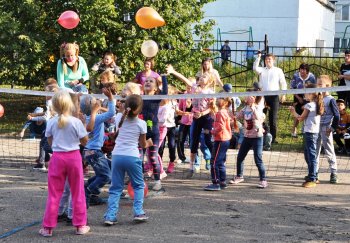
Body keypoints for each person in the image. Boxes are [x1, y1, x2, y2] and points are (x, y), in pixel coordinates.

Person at [39, 90, 90, 237]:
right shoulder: (76, 122)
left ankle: (48, 228)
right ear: (70, 105)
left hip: (57, 158)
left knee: (54, 194)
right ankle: (80, 225)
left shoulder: (52, 122)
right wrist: (83, 127)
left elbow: (49, 140)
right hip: (73, 157)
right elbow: (85, 141)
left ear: (54, 106)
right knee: (77, 191)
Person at [104, 95, 153, 225]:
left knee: (115, 188)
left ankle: (110, 215)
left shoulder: (119, 118)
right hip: (132, 157)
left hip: (117, 156)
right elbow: (142, 145)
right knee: (138, 185)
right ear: (140, 110)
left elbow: (121, 111)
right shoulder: (142, 124)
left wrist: (123, 105)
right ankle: (138, 212)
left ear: (126, 107)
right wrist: (149, 142)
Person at [167, 65, 215, 178]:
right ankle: (191, 167)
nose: (201, 78)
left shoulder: (210, 92)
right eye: (201, 76)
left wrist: (202, 113)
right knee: (193, 142)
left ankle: (214, 163)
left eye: (204, 77)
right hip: (195, 118)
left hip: (206, 118)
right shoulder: (195, 89)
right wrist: (173, 71)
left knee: (208, 141)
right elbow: (185, 79)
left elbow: (212, 108)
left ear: (208, 81)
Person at [81, 87, 115, 208]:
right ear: (93, 106)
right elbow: (111, 113)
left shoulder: (85, 119)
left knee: (108, 169)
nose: (98, 102)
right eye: (96, 101)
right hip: (94, 152)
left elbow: (94, 134)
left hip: (90, 151)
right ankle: (89, 191)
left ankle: (88, 187)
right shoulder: (96, 118)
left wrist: (106, 138)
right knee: (106, 176)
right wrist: (110, 98)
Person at [289, 84, 324, 188]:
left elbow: (300, 118)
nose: (304, 94)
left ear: (312, 94)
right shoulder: (315, 104)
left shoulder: (310, 105)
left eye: (306, 92)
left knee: (311, 155)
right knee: (308, 155)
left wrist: (293, 111)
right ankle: (312, 175)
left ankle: (313, 178)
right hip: (312, 132)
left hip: (310, 133)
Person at [229, 95, 268, 188]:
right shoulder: (244, 109)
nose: (247, 98)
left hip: (257, 137)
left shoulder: (257, 108)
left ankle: (263, 180)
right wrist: (229, 110)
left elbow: (259, 118)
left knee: (258, 159)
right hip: (247, 136)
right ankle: (239, 176)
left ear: (254, 98)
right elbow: (236, 117)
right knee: (240, 157)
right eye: (247, 96)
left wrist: (253, 107)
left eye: (249, 96)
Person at [140, 74, 168, 191]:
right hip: (141, 132)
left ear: (156, 88)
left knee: (152, 156)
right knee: (138, 157)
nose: (147, 82)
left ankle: (157, 181)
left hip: (153, 132)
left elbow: (165, 92)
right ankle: (138, 180)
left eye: (151, 81)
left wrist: (164, 77)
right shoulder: (139, 98)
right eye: (146, 81)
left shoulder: (156, 98)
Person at [253, 52, 287, 143]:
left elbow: (283, 82)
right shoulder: (262, 70)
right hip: (263, 97)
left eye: (269, 59)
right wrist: (259, 57)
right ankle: (262, 134)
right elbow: (255, 68)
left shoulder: (278, 70)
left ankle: (273, 138)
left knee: (273, 118)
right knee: (260, 116)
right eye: (266, 59)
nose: (268, 61)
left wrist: (283, 94)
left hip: (274, 97)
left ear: (273, 60)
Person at [204, 95, 232, 191]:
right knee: (220, 162)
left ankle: (215, 183)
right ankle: (222, 181)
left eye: (220, 98)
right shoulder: (223, 112)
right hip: (224, 139)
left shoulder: (220, 113)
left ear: (224, 102)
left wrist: (211, 131)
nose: (217, 99)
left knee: (214, 162)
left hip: (221, 139)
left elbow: (220, 127)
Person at [315, 75, 340, 184]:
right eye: (317, 84)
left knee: (329, 150)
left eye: (320, 84)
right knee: (315, 151)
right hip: (316, 127)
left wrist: (332, 127)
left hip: (326, 128)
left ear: (328, 86)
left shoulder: (331, 100)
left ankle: (333, 172)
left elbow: (337, 115)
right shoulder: (317, 98)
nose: (318, 86)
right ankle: (314, 172)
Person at [290, 63, 316, 137]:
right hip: (297, 94)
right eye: (301, 69)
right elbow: (292, 88)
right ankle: (294, 129)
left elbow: (314, 89)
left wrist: (308, 98)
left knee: (306, 111)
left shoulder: (312, 77)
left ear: (307, 71)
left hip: (309, 95)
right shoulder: (295, 76)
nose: (302, 71)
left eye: (304, 69)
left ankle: (305, 128)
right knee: (297, 112)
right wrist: (299, 98)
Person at [158, 86, 178, 174]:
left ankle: (171, 162)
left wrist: (185, 113)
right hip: (162, 126)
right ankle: (159, 163)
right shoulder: (160, 102)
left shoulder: (174, 103)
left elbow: (177, 111)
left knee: (172, 145)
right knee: (160, 146)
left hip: (171, 126)